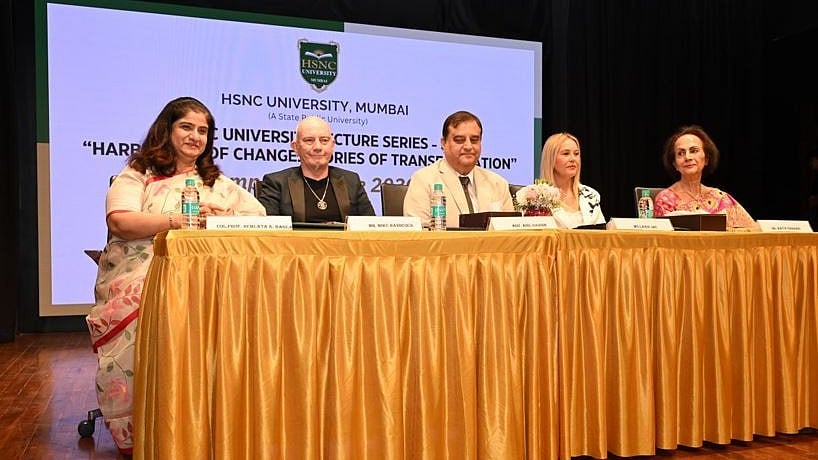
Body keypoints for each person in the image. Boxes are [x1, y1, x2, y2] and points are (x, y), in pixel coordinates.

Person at [87, 97, 265, 455]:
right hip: (144, 274)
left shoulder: (216, 182)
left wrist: (219, 218)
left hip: (204, 280)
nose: (195, 136)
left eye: (203, 131)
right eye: (186, 127)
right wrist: (176, 221)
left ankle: (203, 423)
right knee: (155, 304)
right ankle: (150, 428)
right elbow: (119, 220)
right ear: (166, 130)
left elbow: (259, 218)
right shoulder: (140, 173)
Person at [403, 110, 514, 227]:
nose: (468, 146)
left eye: (474, 140)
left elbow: (511, 233)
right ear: (443, 143)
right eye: (459, 140)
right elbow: (419, 234)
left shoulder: (498, 183)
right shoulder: (423, 180)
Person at [257, 116, 375, 222]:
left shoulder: (351, 180)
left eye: (324, 140)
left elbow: (370, 227)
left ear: (332, 145)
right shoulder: (276, 183)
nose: (318, 147)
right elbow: (269, 233)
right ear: (295, 147)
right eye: (309, 140)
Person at [654, 125, 758, 230]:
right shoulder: (665, 200)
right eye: (681, 153)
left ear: (707, 159)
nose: (688, 157)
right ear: (675, 164)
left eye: (694, 151)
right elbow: (662, 242)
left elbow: (753, 231)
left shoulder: (721, 198)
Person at [538, 132, 605, 227]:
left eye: (576, 154)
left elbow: (603, 233)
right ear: (550, 158)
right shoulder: (536, 196)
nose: (573, 159)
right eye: (566, 154)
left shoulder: (590, 194)